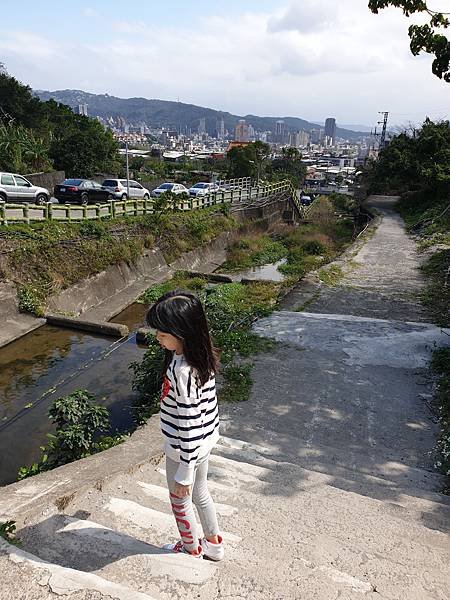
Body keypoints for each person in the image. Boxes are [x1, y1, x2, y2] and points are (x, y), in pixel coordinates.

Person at [146, 290, 224, 560]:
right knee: (201, 495)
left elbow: (189, 421)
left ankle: (191, 548)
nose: (157, 337)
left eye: (163, 334)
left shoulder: (183, 372)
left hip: (184, 450)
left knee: (180, 500)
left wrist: (184, 470)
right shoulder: (201, 357)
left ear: (182, 332)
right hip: (204, 442)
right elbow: (203, 410)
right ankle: (214, 544)